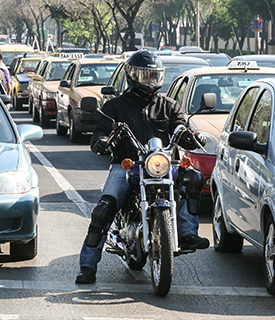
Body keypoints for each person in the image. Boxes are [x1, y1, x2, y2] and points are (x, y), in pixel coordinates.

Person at [75, 50, 209, 285]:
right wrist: (101, 141)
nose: (150, 81)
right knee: (103, 210)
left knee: (194, 177)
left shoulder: (168, 105)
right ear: (132, 75)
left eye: (154, 76)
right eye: (145, 76)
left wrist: (194, 137)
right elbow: (99, 133)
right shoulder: (115, 106)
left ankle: (188, 233)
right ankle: (87, 265)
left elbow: (181, 128)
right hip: (127, 165)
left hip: (161, 164)